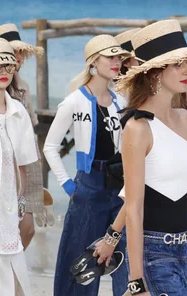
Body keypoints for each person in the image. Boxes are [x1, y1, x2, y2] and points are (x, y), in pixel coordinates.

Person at [93, 45, 187, 294]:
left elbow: (184, 194)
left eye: (186, 63)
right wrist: (136, 280)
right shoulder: (137, 128)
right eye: (177, 65)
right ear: (155, 74)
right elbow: (134, 203)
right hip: (155, 253)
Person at [43, 34, 131, 295]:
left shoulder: (121, 102)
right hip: (88, 187)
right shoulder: (74, 101)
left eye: (119, 58)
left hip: (119, 187)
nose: (117, 62)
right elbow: (50, 147)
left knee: (123, 260)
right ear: (93, 62)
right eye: (111, 57)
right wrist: (68, 185)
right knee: (80, 264)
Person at [0, 23, 48, 245]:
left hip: (26, 162)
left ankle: (12, 272)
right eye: (12, 52)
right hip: (4, 163)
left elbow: (31, 124)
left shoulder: (23, 87)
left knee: (27, 228)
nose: (17, 57)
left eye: (19, 53)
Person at [0, 38, 38, 295]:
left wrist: (20, 207)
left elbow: (22, 166)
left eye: (9, 66)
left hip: (8, 216)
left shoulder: (18, 111)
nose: (4, 72)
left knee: (14, 284)